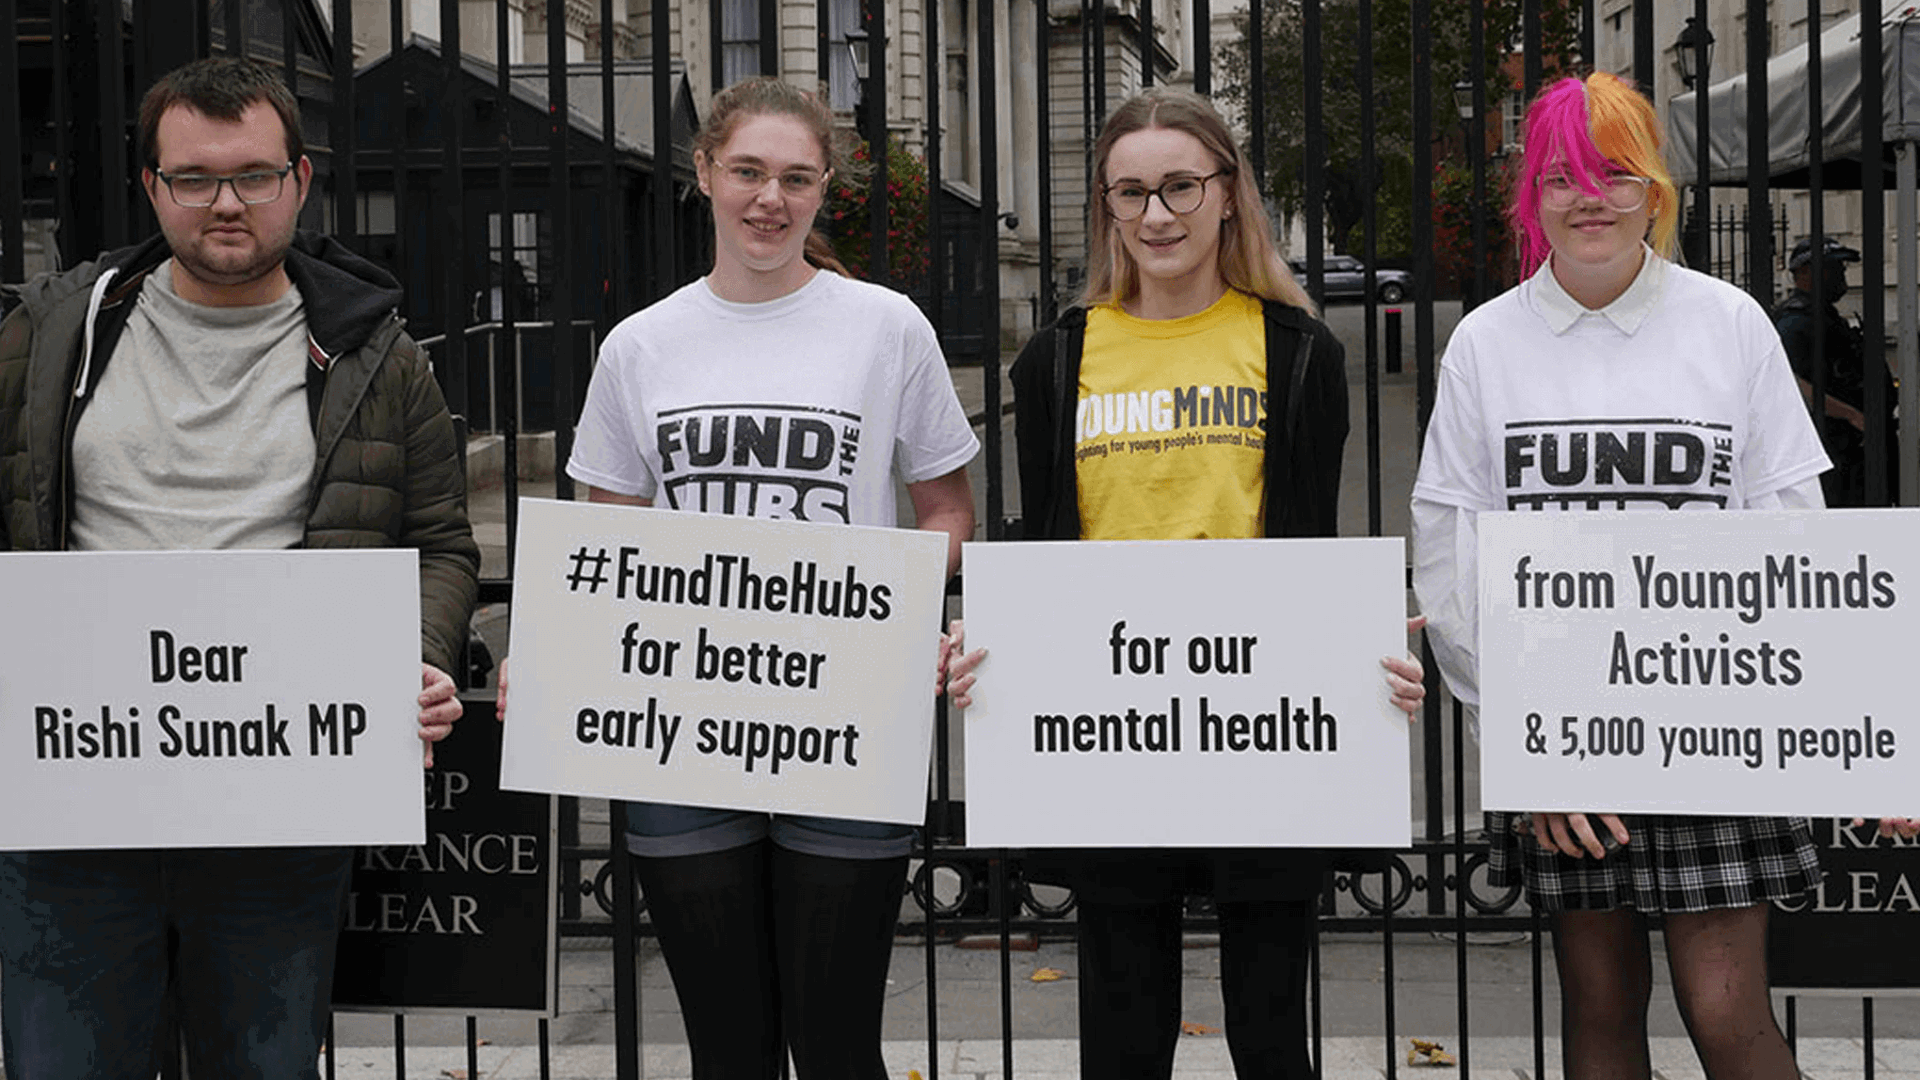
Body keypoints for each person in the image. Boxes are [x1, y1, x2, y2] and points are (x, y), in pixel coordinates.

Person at [0, 58, 479, 1079]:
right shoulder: (51, 337)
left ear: (301, 183)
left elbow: (439, 540)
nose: (227, 203)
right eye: (195, 177)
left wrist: (422, 654)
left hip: (282, 797)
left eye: (255, 176)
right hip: (73, 804)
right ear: (151, 187)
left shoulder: (379, 359)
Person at [942, 87, 1424, 1080]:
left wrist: (1365, 661)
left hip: (1262, 728)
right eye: (1131, 193)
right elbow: (1043, 555)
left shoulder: (1297, 354)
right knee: (1121, 1031)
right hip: (1112, 730)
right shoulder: (1055, 361)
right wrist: (988, 655)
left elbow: (1309, 554)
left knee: (1269, 1028)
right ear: (1108, 208)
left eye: (1179, 187)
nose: (1157, 216)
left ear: (1226, 192)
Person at [501, 76, 977, 1079]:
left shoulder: (887, 329)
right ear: (705, 172)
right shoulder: (643, 345)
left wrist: (886, 602)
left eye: (796, 178)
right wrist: (556, 651)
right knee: (727, 1047)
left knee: (839, 1042)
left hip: (845, 719)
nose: (771, 198)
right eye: (750, 172)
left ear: (822, 191)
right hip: (683, 727)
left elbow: (946, 512)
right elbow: (610, 543)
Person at [1412, 72, 1860, 1080]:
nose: (1591, 198)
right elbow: (1450, 551)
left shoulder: (1728, 323)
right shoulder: (1487, 343)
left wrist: (1812, 709)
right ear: (1533, 197)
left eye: (1617, 174)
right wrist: (1526, 739)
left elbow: (1791, 529)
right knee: (1602, 1003)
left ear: (1655, 188)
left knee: (1724, 1004)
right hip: (1564, 726)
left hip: (1717, 713)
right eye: (1563, 177)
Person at [1773, 235, 1888, 507]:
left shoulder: (1824, 316)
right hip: (1830, 446)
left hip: (1852, 448)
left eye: (1840, 269)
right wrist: (1851, 415)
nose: (1840, 276)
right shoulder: (1795, 322)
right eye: (1831, 268)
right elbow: (1792, 384)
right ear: (1803, 273)